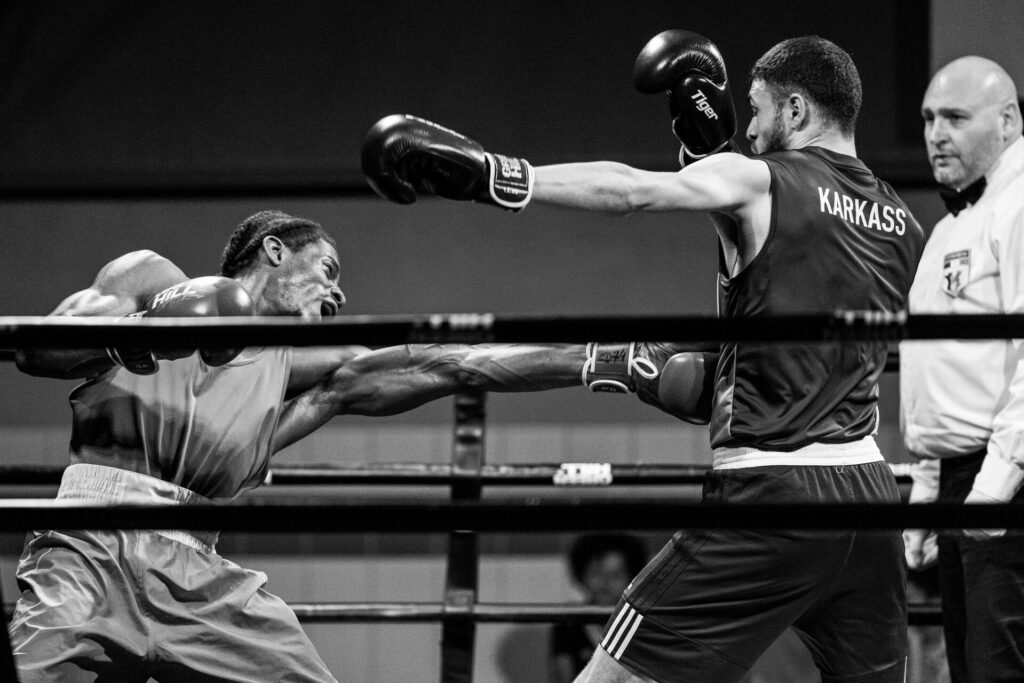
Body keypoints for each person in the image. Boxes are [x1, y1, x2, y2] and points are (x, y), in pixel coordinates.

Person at [362, 31, 926, 682]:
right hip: (870, 499)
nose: (749, 131)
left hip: (774, 495)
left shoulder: (764, 179)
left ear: (796, 109)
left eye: (758, 110)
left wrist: (497, 175)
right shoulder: (903, 224)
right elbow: (782, 286)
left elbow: (629, 190)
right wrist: (704, 156)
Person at [8, 209, 715, 681]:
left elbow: (449, 363)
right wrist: (142, 331)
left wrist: (602, 360)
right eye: (329, 269)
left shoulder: (302, 376)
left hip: (199, 575)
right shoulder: (153, 279)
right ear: (275, 250)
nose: (338, 293)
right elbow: (36, 348)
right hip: (89, 548)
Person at [900, 56, 1024, 682]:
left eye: (954, 117)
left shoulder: (1020, 205)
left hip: (1007, 477)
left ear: (1007, 121)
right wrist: (928, 492)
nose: (936, 135)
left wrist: (996, 485)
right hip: (961, 477)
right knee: (971, 669)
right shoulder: (950, 228)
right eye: (928, 119)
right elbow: (936, 368)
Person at [550, 534, 649, 683]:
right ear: (582, 575)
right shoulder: (568, 622)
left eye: (615, 575)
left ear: (632, 577)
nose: (605, 582)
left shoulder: (644, 623)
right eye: (596, 574)